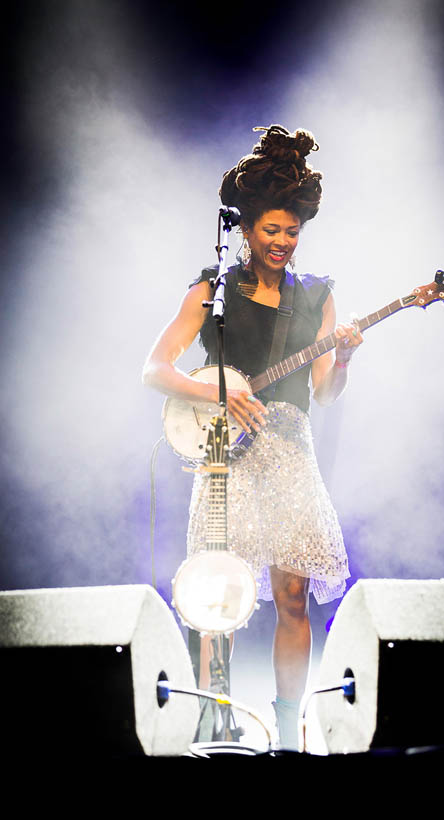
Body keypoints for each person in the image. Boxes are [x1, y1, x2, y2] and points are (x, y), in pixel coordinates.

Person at [142, 124, 363, 748]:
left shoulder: (317, 295)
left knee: (293, 597)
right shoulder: (212, 288)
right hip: (222, 454)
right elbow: (154, 369)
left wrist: (343, 359)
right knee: (220, 595)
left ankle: (290, 727)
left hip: (291, 451)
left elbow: (324, 392)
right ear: (244, 229)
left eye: (292, 233)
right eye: (271, 231)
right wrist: (219, 391)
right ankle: (218, 717)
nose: (283, 243)